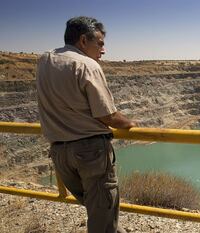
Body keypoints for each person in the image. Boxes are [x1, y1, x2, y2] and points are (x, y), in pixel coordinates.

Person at [36, 16, 136, 233]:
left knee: (100, 211)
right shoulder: (86, 65)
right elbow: (107, 116)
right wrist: (131, 123)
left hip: (60, 153)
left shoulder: (44, 60)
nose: (104, 50)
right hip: (90, 153)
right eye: (99, 43)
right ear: (83, 40)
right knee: (103, 212)